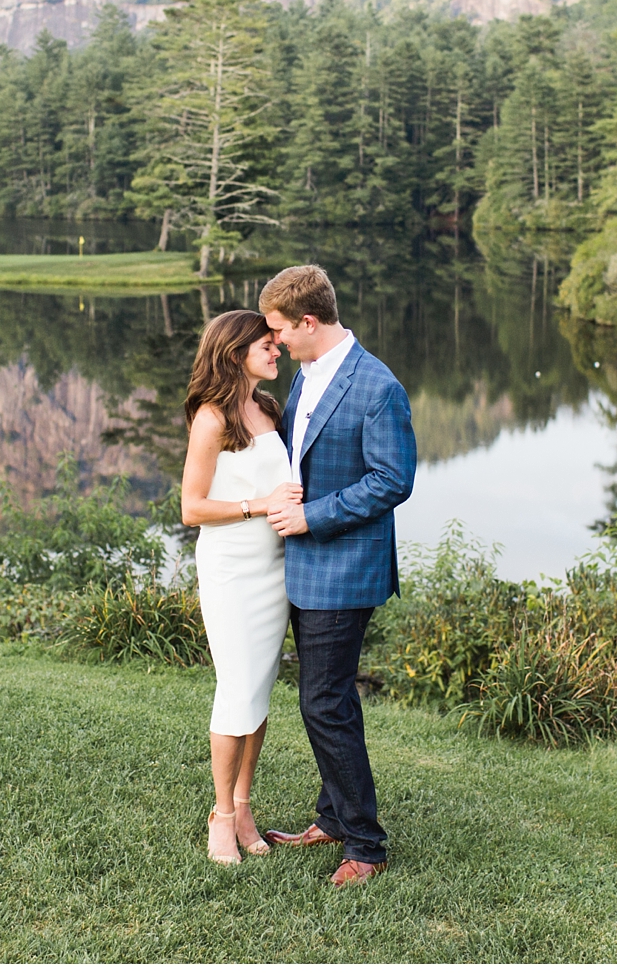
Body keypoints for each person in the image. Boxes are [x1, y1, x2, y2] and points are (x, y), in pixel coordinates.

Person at [257, 264, 417, 887]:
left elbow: (392, 481)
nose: (274, 343)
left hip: (344, 566)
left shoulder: (377, 386)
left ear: (308, 321)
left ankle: (366, 846)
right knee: (327, 700)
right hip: (304, 565)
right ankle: (331, 817)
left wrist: (310, 518)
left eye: (279, 331)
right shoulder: (306, 375)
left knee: (324, 703)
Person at [180, 309, 302, 866]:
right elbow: (192, 508)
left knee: (256, 691)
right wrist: (260, 505)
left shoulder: (267, 409)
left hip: (274, 569)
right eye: (266, 346)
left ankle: (244, 804)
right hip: (231, 572)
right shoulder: (212, 419)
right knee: (235, 691)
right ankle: (221, 817)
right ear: (235, 353)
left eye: (277, 345)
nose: (277, 351)